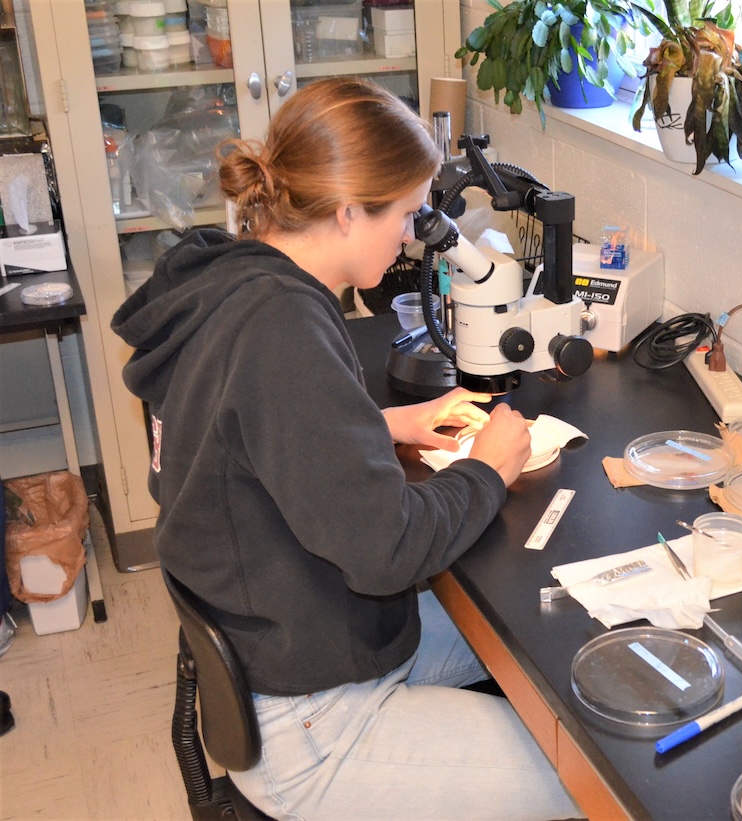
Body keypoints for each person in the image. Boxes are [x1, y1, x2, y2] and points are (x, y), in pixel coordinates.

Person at [111, 78, 581, 820]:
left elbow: (237, 434)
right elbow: (387, 549)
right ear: (345, 210)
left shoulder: (236, 279)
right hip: (313, 722)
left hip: (298, 639)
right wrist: (491, 465)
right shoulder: (284, 329)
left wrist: (376, 425)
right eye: (401, 214)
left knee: (550, 644)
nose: (407, 235)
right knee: (582, 774)